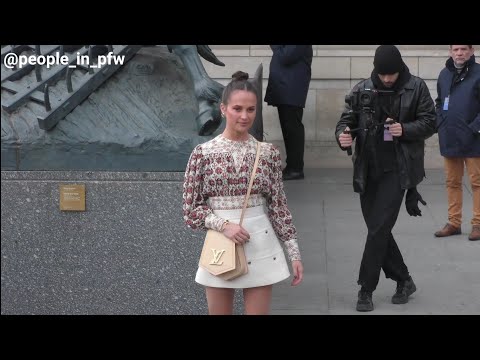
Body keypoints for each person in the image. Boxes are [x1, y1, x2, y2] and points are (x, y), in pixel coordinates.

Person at [183, 71, 304, 315]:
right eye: (237, 108)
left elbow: (278, 206)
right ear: (223, 108)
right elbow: (190, 210)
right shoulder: (202, 154)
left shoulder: (268, 153)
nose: (244, 116)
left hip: (261, 242)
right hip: (220, 245)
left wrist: (294, 252)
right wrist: (223, 225)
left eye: (251, 110)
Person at [335, 45, 436, 312]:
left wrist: (406, 129)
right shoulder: (363, 88)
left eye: (391, 74)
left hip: (399, 170)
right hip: (368, 169)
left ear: (400, 68)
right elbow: (346, 119)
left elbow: (431, 121)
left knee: (378, 229)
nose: (387, 79)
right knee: (377, 230)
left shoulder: (416, 87)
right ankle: (404, 279)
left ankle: (365, 289)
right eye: (383, 75)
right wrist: (343, 136)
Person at [434, 45, 480, 241]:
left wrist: (474, 128)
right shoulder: (444, 74)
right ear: (450, 51)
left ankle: (478, 224)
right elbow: (439, 101)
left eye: (463, 49)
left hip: (473, 138)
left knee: (477, 182)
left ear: (471, 51)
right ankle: (454, 222)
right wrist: (440, 122)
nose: (459, 53)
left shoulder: (478, 73)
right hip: (450, 136)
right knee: (452, 182)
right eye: (455, 49)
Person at [264, 45, 313, 180]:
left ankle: (295, 168)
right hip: (286, 88)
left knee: (292, 128)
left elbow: (285, 56)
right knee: (288, 128)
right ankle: (292, 166)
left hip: (291, 89)